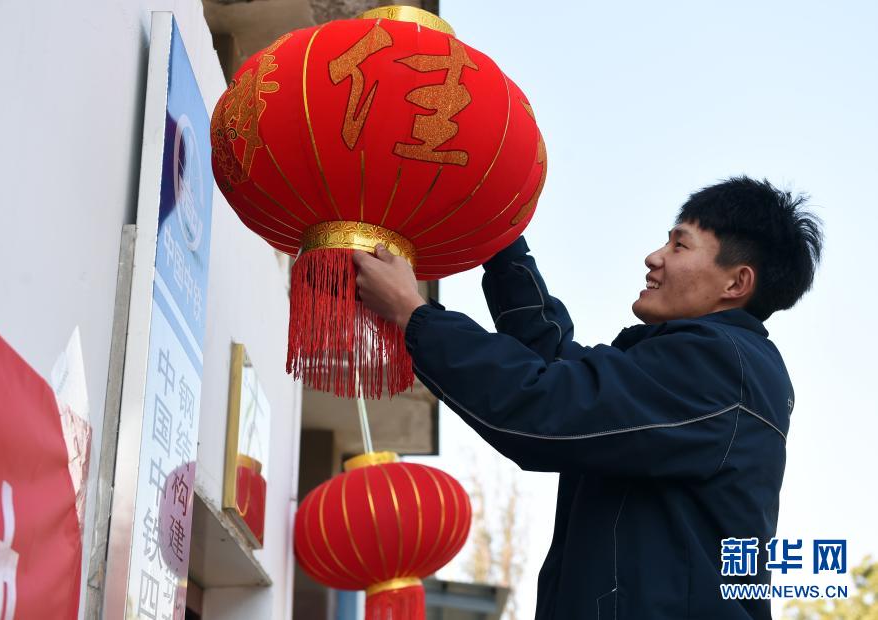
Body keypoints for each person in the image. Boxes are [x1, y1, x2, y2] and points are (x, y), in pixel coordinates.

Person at [352, 176, 823, 619]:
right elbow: (558, 366)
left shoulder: (718, 367)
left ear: (735, 283)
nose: (654, 257)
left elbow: (543, 407)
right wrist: (500, 240)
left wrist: (413, 314)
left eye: (679, 245)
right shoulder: (706, 365)